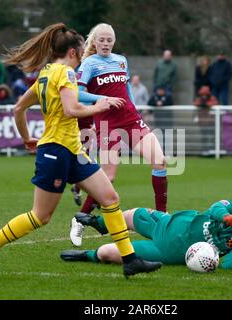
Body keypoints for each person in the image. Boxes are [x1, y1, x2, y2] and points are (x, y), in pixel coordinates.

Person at [0, 23, 162, 280]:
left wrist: (27, 138)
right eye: (82, 51)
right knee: (41, 216)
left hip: (72, 150)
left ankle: (130, 260)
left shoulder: (46, 73)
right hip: (56, 151)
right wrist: (101, 105)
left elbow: (18, 109)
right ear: (72, 52)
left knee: (109, 198)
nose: (84, 55)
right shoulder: (67, 74)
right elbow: (72, 109)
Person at [70, 23, 168, 247]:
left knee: (160, 161)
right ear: (94, 42)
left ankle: (162, 218)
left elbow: (128, 89)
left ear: (114, 41)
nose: (105, 43)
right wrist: (101, 100)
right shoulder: (89, 63)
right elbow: (77, 93)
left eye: (109, 40)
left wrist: (134, 108)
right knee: (108, 177)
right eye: (101, 40)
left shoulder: (121, 60)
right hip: (107, 123)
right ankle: (80, 220)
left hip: (130, 119)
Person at [61, 195, 232, 270]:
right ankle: (99, 223)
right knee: (128, 215)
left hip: (164, 250)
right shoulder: (228, 207)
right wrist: (227, 218)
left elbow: (228, 263)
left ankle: (87, 255)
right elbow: (216, 208)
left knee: (108, 252)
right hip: (166, 222)